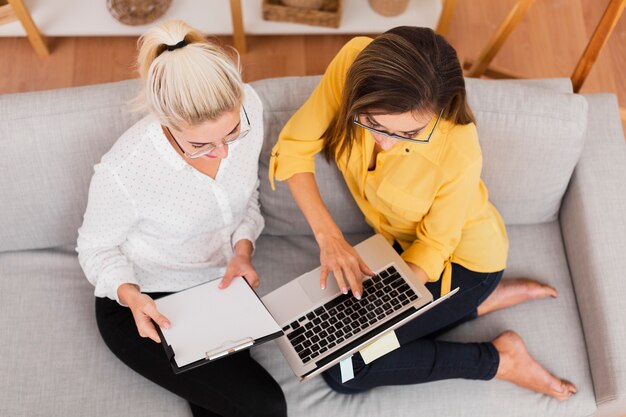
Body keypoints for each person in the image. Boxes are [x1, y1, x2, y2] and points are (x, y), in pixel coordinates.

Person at [269, 26, 577, 400]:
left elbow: (434, 246)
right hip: (395, 248)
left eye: (409, 133)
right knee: (323, 338)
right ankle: (473, 305)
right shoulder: (355, 64)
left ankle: (499, 358)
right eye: (373, 123)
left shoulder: (459, 147)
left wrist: (382, 314)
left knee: (345, 371)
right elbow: (294, 147)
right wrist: (330, 238)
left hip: (463, 260)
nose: (384, 141)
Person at [77, 20, 286, 417]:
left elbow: (248, 198)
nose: (224, 153)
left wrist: (242, 251)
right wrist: (131, 295)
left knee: (232, 403)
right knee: (265, 405)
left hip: (216, 288)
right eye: (201, 144)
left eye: (231, 134)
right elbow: (95, 248)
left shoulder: (251, 109)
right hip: (144, 304)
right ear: (165, 122)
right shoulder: (125, 171)